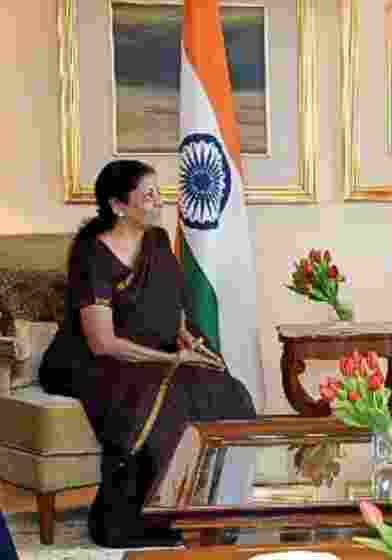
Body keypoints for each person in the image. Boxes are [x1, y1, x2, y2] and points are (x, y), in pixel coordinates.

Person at [39, 160, 257, 549]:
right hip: (90, 361)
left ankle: (211, 509)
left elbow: (168, 310)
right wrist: (173, 361)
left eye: (158, 191)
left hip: (156, 352)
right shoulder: (92, 255)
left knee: (228, 392)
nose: (160, 201)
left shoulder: (156, 242)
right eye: (149, 195)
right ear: (119, 206)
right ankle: (131, 519)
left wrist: (186, 340)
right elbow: (102, 343)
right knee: (166, 397)